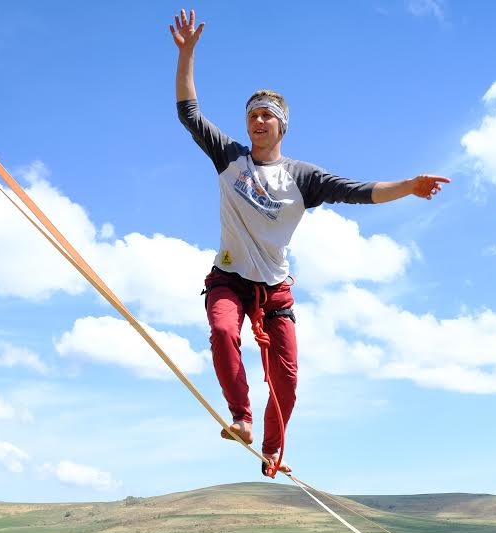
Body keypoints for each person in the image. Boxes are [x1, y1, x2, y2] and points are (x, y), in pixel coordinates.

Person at [170, 9, 449, 478]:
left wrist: (409, 185)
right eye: (252, 115)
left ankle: (273, 450)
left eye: (267, 116)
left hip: (275, 289)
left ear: (281, 126)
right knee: (222, 333)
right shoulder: (229, 158)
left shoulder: (303, 177)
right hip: (228, 279)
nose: (258, 121)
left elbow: (360, 191)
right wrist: (187, 55)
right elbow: (189, 113)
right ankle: (241, 418)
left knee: (288, 380)